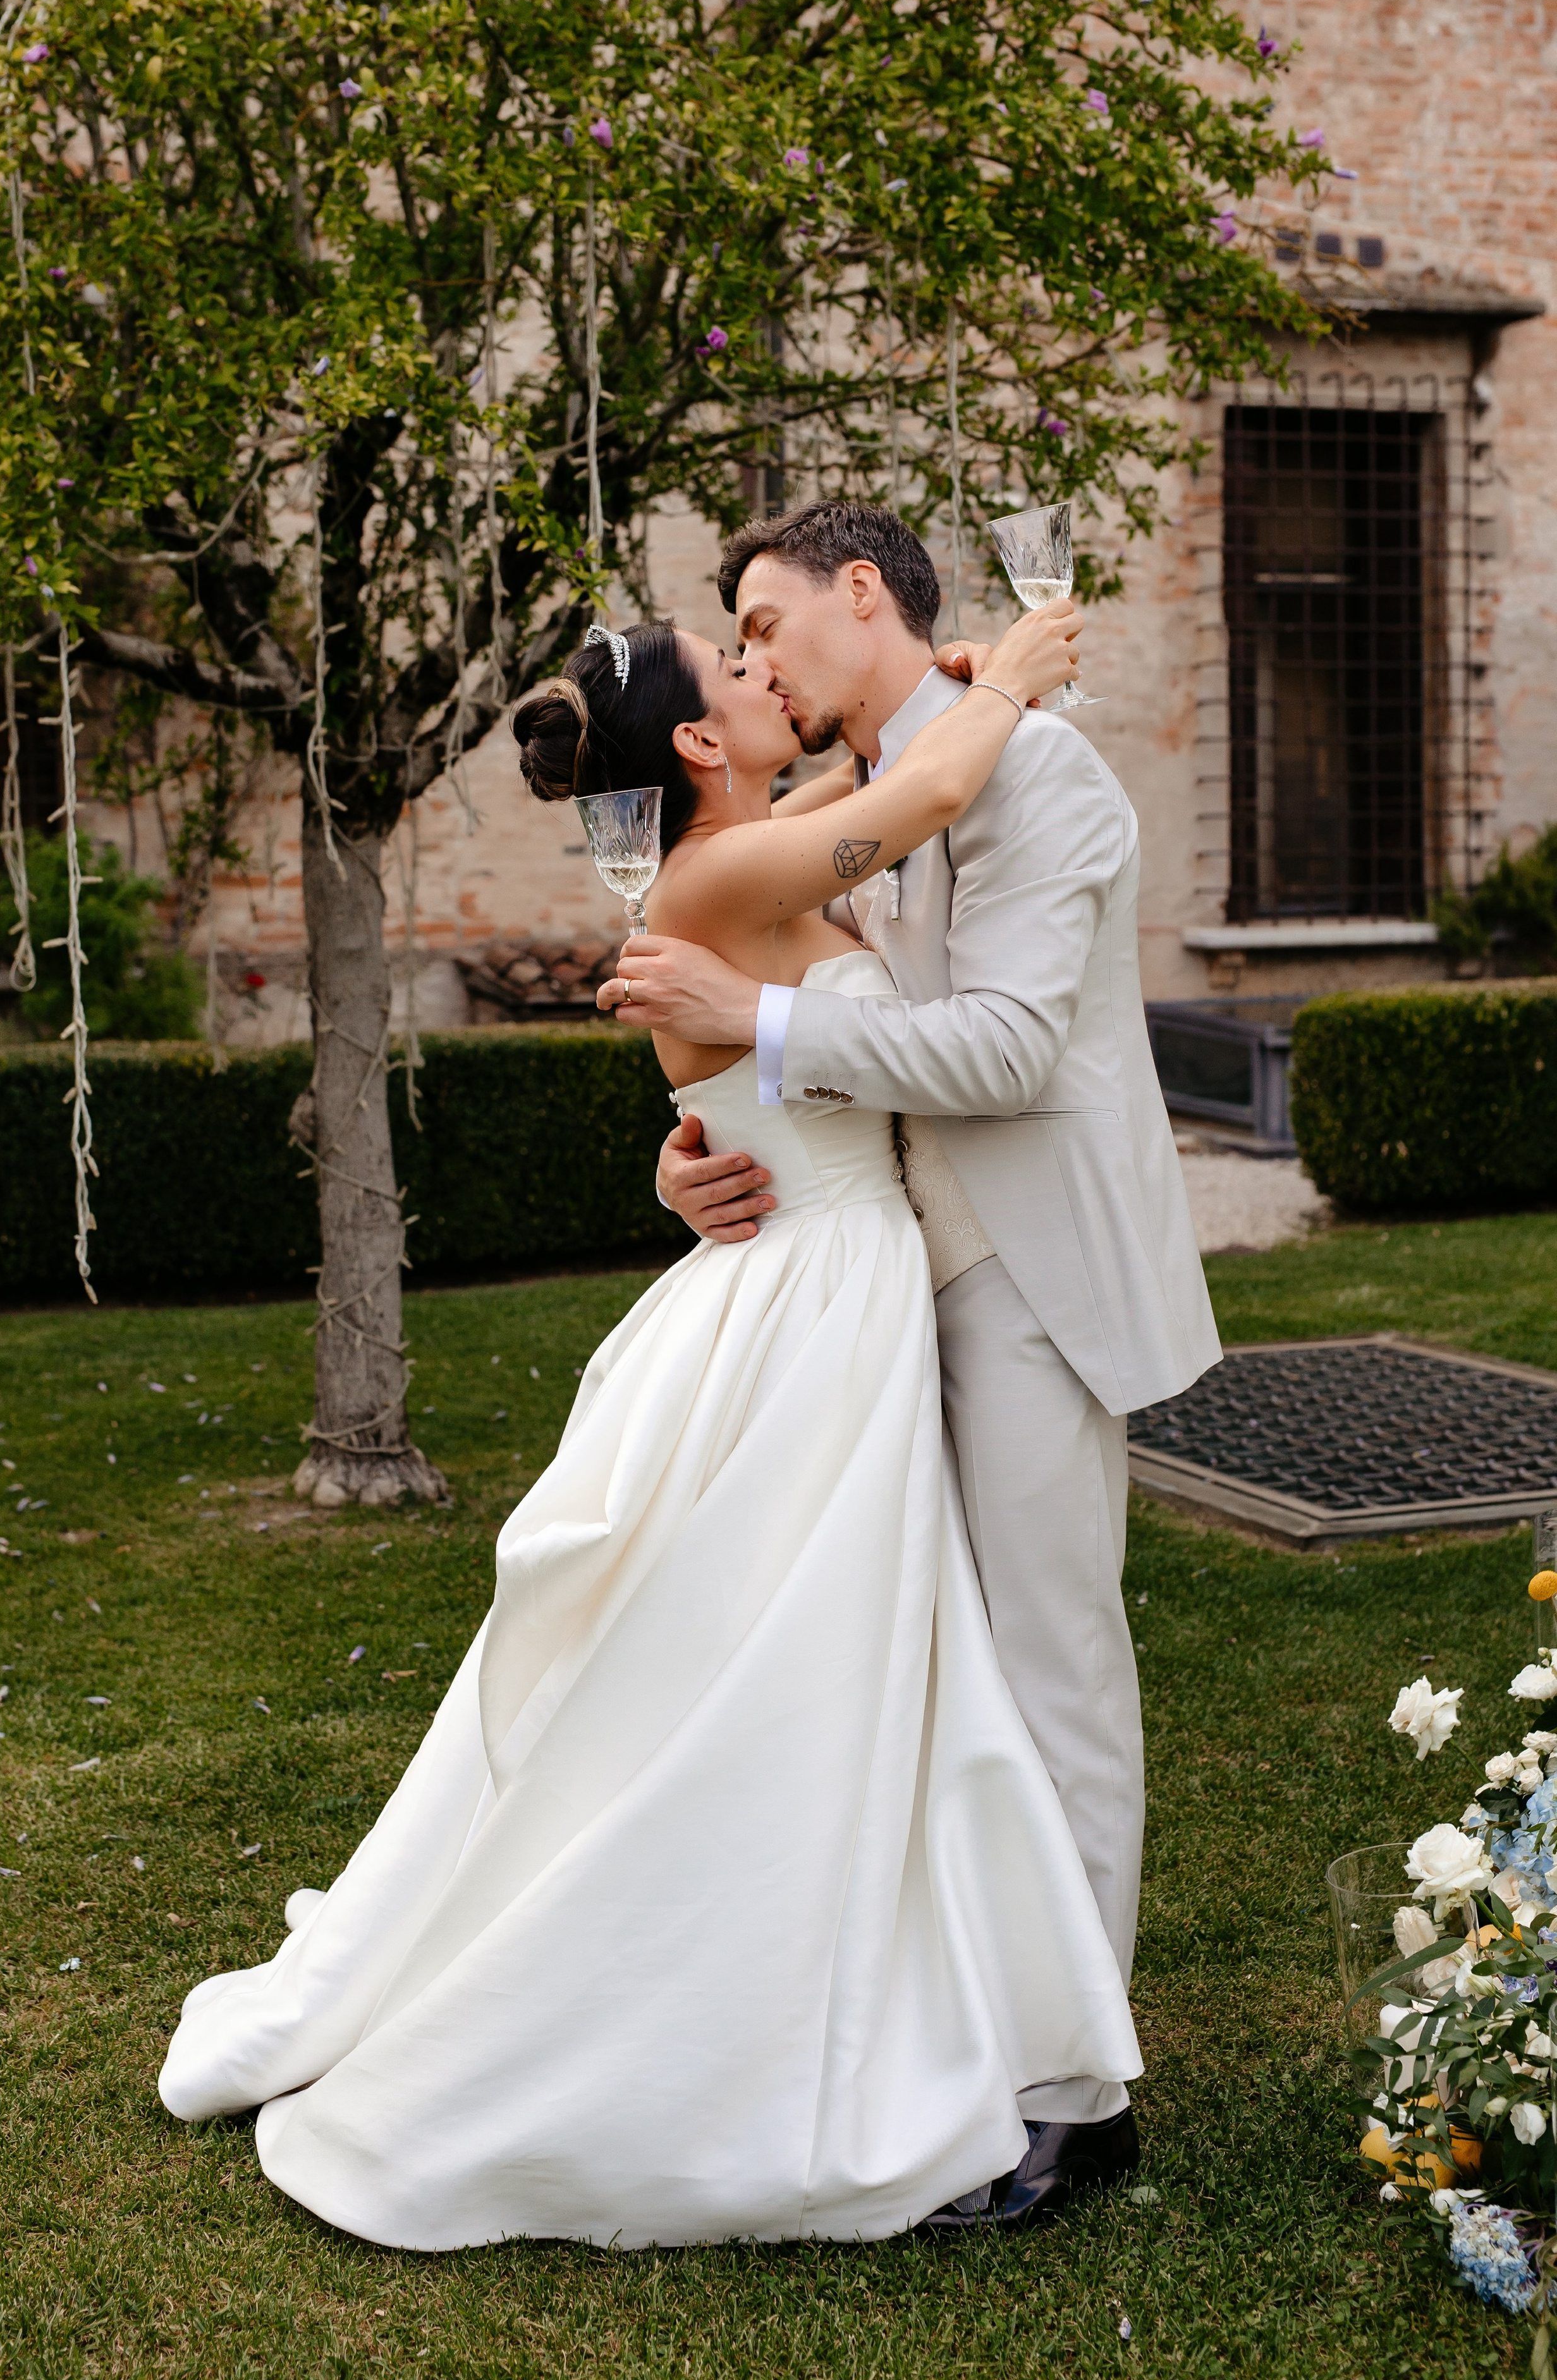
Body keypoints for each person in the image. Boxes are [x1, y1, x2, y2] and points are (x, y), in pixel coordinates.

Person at [156, 597, 1143, 2253]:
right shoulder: (725, 874)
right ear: (697, 742)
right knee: (782, 1665)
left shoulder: (748, 850)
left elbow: (869, 806)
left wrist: (940, 688)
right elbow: (921, 803)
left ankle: (921, 1987)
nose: (770, 677)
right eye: (744, 671)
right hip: (817, 1303)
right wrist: (1022, 674)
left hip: (828, 1284)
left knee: (812, 1660)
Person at [600, 501, 1221, 2231]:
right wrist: (701, 1138)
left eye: (765, 618)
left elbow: (1015, 1045)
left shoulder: (1043, 774)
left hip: (1023, 1276)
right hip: (869, 1294)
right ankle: (945, 2032)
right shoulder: (845, 800)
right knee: (916, 1681)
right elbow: (774, 987)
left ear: (862, 594)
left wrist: (758, 1028)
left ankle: (1070, 2099)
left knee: (1051, 1676)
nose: (759, 653)